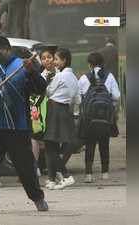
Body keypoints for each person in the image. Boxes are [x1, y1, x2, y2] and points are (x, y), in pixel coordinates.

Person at [0, 36, 48, 215]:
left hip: (18, 126)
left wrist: (32, 72)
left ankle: (37, 198)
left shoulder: (24, 66)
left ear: (6, 49)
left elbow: (40, 88)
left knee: (24, 166)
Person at [78, 52, 120, 183]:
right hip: (105, 118)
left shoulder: (84, 78)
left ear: (89, 64)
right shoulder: (110, 76)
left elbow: (78, 97)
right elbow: (117, 96)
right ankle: (105, 172)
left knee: (90, 144)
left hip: (89, 119)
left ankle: (89, 174)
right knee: (104, 143)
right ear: (102, 63)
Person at [43, 48, 81, 190]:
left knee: (50, 145)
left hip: (55, 109)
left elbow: (48, 91)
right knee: (52, 145)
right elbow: (78, 98)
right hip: (65, 110)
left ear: (64, 60)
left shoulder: (60, 76)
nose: (54, 62)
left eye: (56, 59)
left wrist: (47, 80)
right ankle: (53, 179)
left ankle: (66, 176)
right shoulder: (73, 77)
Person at [30, 48, 57, 177]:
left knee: (51, 141)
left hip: (55, 109)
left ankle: (52, 168)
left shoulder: (60, 74)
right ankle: (36, 167)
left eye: (49, 57)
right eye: (44, 58)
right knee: (36, 138)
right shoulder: (40, 75)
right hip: (41, 109)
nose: (47, 60)